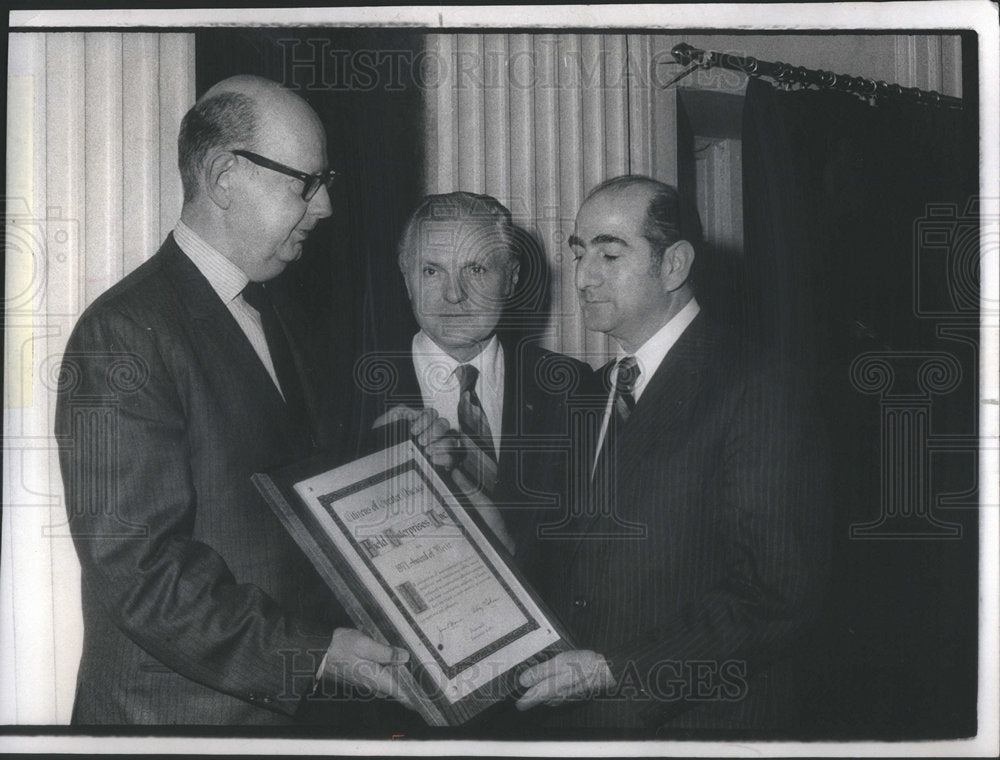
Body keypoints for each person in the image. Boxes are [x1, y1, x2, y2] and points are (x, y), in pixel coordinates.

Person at [54, 75, 450, 725]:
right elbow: (140, 571)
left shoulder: (276, 308)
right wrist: (313, 656)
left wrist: (390, 452)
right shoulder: (121, 335)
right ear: (224, 176)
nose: (323, 208)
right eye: (305, 183)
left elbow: (271, 478)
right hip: (173, 724)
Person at [516, 176, 830, 733]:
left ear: (673, 265)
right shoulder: (592, 391)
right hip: (585, 727)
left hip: (699, 726)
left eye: (609, 253)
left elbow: (776, 594)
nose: (584, 277)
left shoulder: (757, 385)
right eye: (579, 252)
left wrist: (614, 670)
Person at [357, 191, 594, 578]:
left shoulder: (573, 389)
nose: (453, 295)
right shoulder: (349, 396)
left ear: (512, 278)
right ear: (405, 274)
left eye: (476, 270)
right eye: (431, 271)